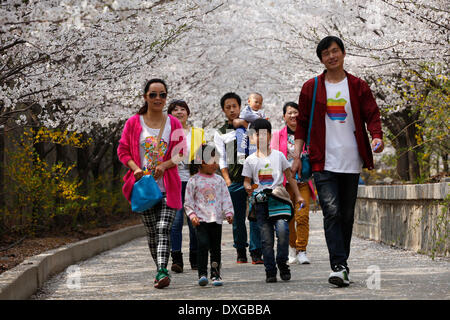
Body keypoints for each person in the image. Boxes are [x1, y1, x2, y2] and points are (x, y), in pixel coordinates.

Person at [292, 36, 384, 287]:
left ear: (343, 53)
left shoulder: (357, 85)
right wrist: (297, 155)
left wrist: (376, 137)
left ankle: (342, 262)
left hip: (351, 160)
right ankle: (339, 266)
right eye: (326, 53)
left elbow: (372, 114)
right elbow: (301, 124)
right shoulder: (311, 87)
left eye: (335, 51)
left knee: (346, 215)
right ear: (321, 59)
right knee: (331, 211)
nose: (331, 56)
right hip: (323, 161)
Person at [117, 78, 186, 289]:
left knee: (164, 227)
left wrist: (165, 165)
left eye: (162, 95)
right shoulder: (133, 123)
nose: (158, 98)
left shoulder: (173, 123)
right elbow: (123, 151)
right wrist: (135, 168)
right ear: (145, 96)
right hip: (143, 187)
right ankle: (160, 269)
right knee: (152, 232)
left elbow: (180, 154)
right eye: (153, 94)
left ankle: (163, 270)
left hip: (168, 186)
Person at [242, 118, 305, 283]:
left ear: (270, 136)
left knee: (283, 230)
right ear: (251, 137)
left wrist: (297, 195)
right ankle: (270, 270)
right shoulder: (249, 160)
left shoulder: (279, 156)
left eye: (265, 134)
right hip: (261, 202)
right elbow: (247, 181)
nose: (261, 137)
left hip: (278, 199)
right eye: (256, 135)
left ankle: (282, 263)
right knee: (266, 239)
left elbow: (289, 176)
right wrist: (248, 187)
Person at [214, 92, 263, 265]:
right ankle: (240, 250)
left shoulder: (251, 127)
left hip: (254, 179)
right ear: (223, 110)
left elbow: (262, 148)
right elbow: (221, 158)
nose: (232, 110)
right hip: (234, 180)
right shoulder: (221, 132)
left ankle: (257, 252)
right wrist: (226, 179)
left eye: (235, 106)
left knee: (256, 215)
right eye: (228, 107)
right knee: (237, 218)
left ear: (240, 107)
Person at [270, 102, 317, 265]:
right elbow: (273, 158)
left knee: (302, 216)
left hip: (303, 181)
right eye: (289, 113)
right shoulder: (277, 135)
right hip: (285, 184)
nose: (292, 116)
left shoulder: (307, 135)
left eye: (295, 112)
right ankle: (292, 248)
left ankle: (302, 250)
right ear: (284, 116)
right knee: (287, 218)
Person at [184, 144, 234, 286]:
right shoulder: (193, 181)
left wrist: (229, 212)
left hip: (216, 220)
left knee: (216, 248)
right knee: (203, 245)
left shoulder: (219, 180)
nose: (216, 164)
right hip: (200, 220)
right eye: (213, 161)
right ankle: (202, 274)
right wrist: (192, 215)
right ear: (202, 162)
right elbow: (188, 201)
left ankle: (216, 274)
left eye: (217, 161)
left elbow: (226, 198)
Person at [167, 99, 205, 273]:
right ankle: (177, 259)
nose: (179, 112)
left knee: (194, 221)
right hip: (174, 181)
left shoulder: (198, 133)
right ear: (169, 114)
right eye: (175, 110)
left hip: (193, 181)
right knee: (175, 222)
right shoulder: (166, 133)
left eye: (183, 109)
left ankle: (195, 257)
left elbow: (204, 156)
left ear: (188, 113)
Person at [233, 92, 265, 164]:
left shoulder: (261, 112)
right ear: (249, 101)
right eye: (256, 102)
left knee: (253, 144)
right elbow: (247, 116)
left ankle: (253, 156)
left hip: (252, 130)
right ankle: (241, 154)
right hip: (243, 129)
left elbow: (264, 121)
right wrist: (258, 119)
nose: (258, 104)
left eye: (260, 103)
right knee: (241, 139)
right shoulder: (247, 110)